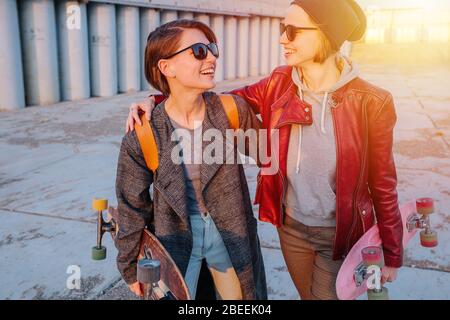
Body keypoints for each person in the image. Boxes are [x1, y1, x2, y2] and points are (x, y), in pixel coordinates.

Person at [126, 0, 403, 300]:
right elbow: (211, 104)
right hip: (292, 229)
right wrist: (157, 102)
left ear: (325, 35)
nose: (283, 38)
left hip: (337, 234)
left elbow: (383, 183)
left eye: (293, 31)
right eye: (283, 29)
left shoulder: (372, 102)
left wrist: (392, 249)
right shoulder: (278, 83)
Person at [116, 19, 267, 300]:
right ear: (166, 67)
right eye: (198, 51)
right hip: (176, 239)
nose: (211, 57)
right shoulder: (144, 134)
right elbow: (131, 206)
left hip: (229, 233)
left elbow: (270, 155)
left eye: (212, 48)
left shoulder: (231, 111)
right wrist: (128, 265)